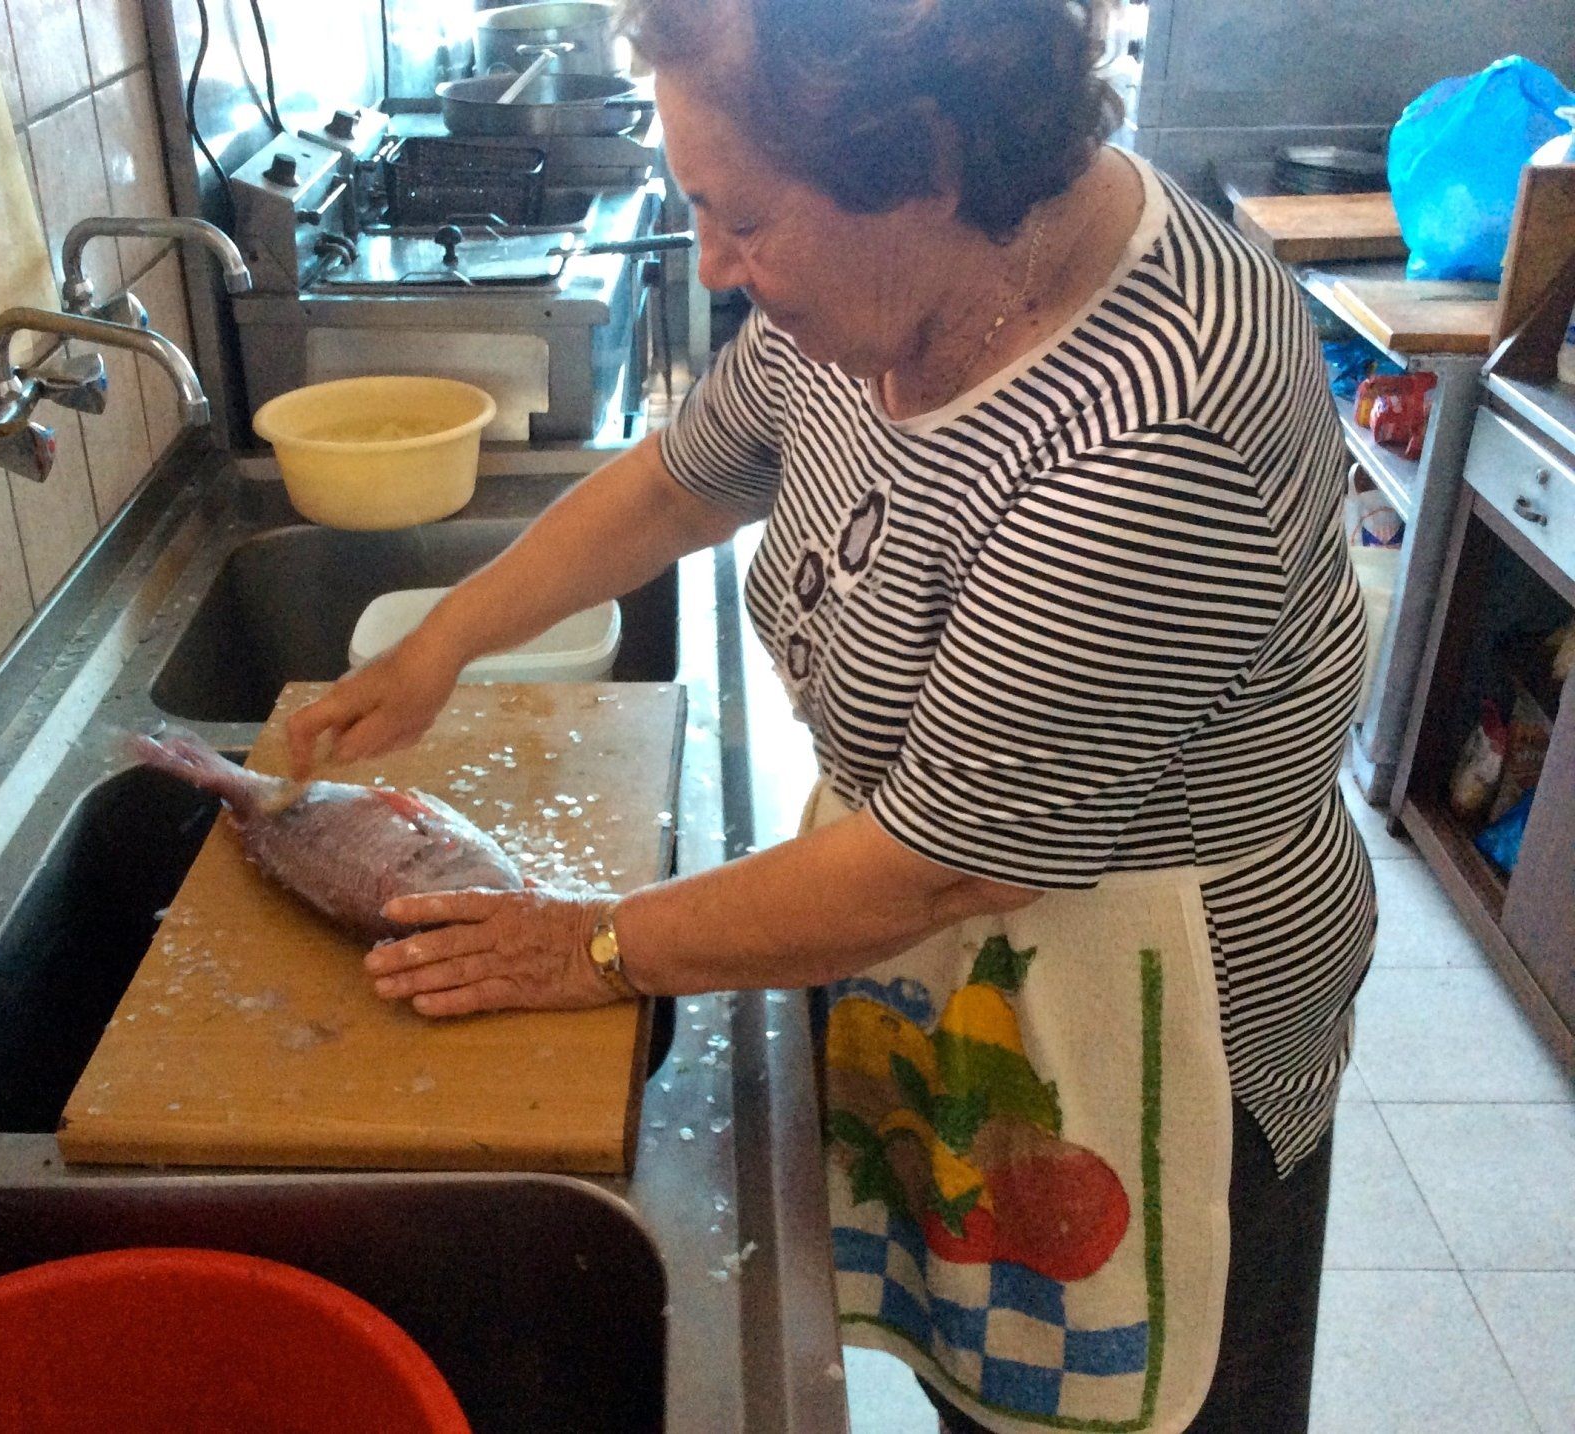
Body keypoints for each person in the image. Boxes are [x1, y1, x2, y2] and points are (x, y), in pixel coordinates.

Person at [284, 1, 1376, 1428]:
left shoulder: (1155, 433)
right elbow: (689, 475)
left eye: (742, 221)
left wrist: (593, 944)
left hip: (1147, 1027)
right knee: (991, 1377)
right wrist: (449, 638)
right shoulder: (885, 279)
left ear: (924, 160)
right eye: (698, 206)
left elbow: (942, 861)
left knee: (1117, 1404)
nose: (720, 267)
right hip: (957, 959)